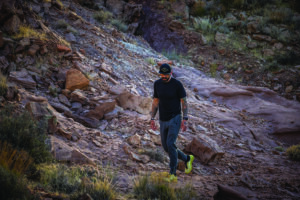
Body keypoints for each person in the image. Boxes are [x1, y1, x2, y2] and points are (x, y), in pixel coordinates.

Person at [150, 63, 194, 182]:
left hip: (175, 117)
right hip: (162, 119)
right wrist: (152, 118)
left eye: (166, 75)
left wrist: (185, 119)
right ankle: (187, 159)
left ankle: (172, 174)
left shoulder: (177, 84)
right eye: (162, 75)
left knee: (170, 143)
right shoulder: (157, 84)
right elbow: (155, 102)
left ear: (171, 73)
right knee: (166, 147)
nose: (164, 77)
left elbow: (184, 102)